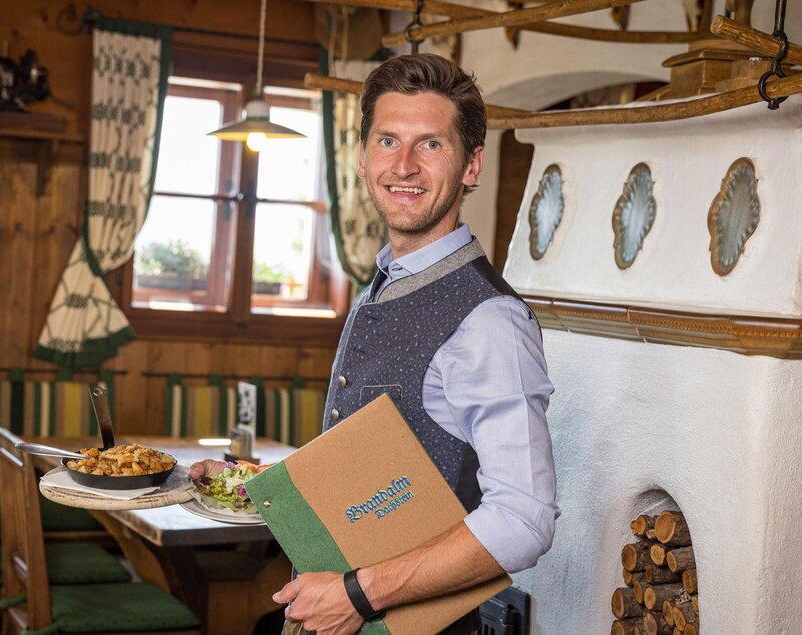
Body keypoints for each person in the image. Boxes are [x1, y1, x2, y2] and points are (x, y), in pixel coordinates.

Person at [191, 53, 557, 635]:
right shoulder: (383, 283)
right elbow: (374, 471)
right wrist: (247, 482)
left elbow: (524, 519)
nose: (404, 165)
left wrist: (357, 595)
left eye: (431, 145)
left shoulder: (491, 320)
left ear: (471, 165)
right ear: (362, 159)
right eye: (387, 140)